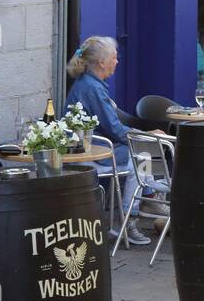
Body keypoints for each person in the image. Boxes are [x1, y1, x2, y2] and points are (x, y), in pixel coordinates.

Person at [66, 36, 165, 246]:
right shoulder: (92, 88)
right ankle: (130, 218)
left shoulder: (90, 84)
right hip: (88, 152)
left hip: (92, 145)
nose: (117, 62)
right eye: (115, 57)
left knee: (141, 152)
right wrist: (147, 134)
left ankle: (149, 197)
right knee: (140, 154)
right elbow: (114, 130)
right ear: (102, 62)